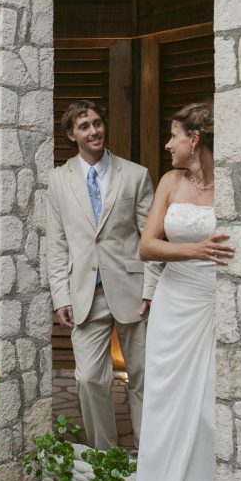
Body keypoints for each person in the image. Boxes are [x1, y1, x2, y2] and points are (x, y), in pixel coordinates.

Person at [131, 101, 233, 481]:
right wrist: (194, 251)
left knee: (211, 419)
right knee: (167, 417)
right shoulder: (169, 185)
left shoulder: (232, 180)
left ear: (196, 137)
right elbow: (147, 246)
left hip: (216, 309)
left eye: (173, 136)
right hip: (175, 308)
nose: (167, 145)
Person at [45, 100, 160, 451]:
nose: (94, 131)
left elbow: (152, 239)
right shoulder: (58, 180)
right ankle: (105, 456)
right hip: (84, 294)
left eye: (97, 123)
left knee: (143, 379)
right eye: (84, 126)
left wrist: (151, 289)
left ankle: (148, 454)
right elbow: (56, 241)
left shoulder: (135, 175)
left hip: (132, 289)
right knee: (90, 379)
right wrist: (60, 295)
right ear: (71, 134)